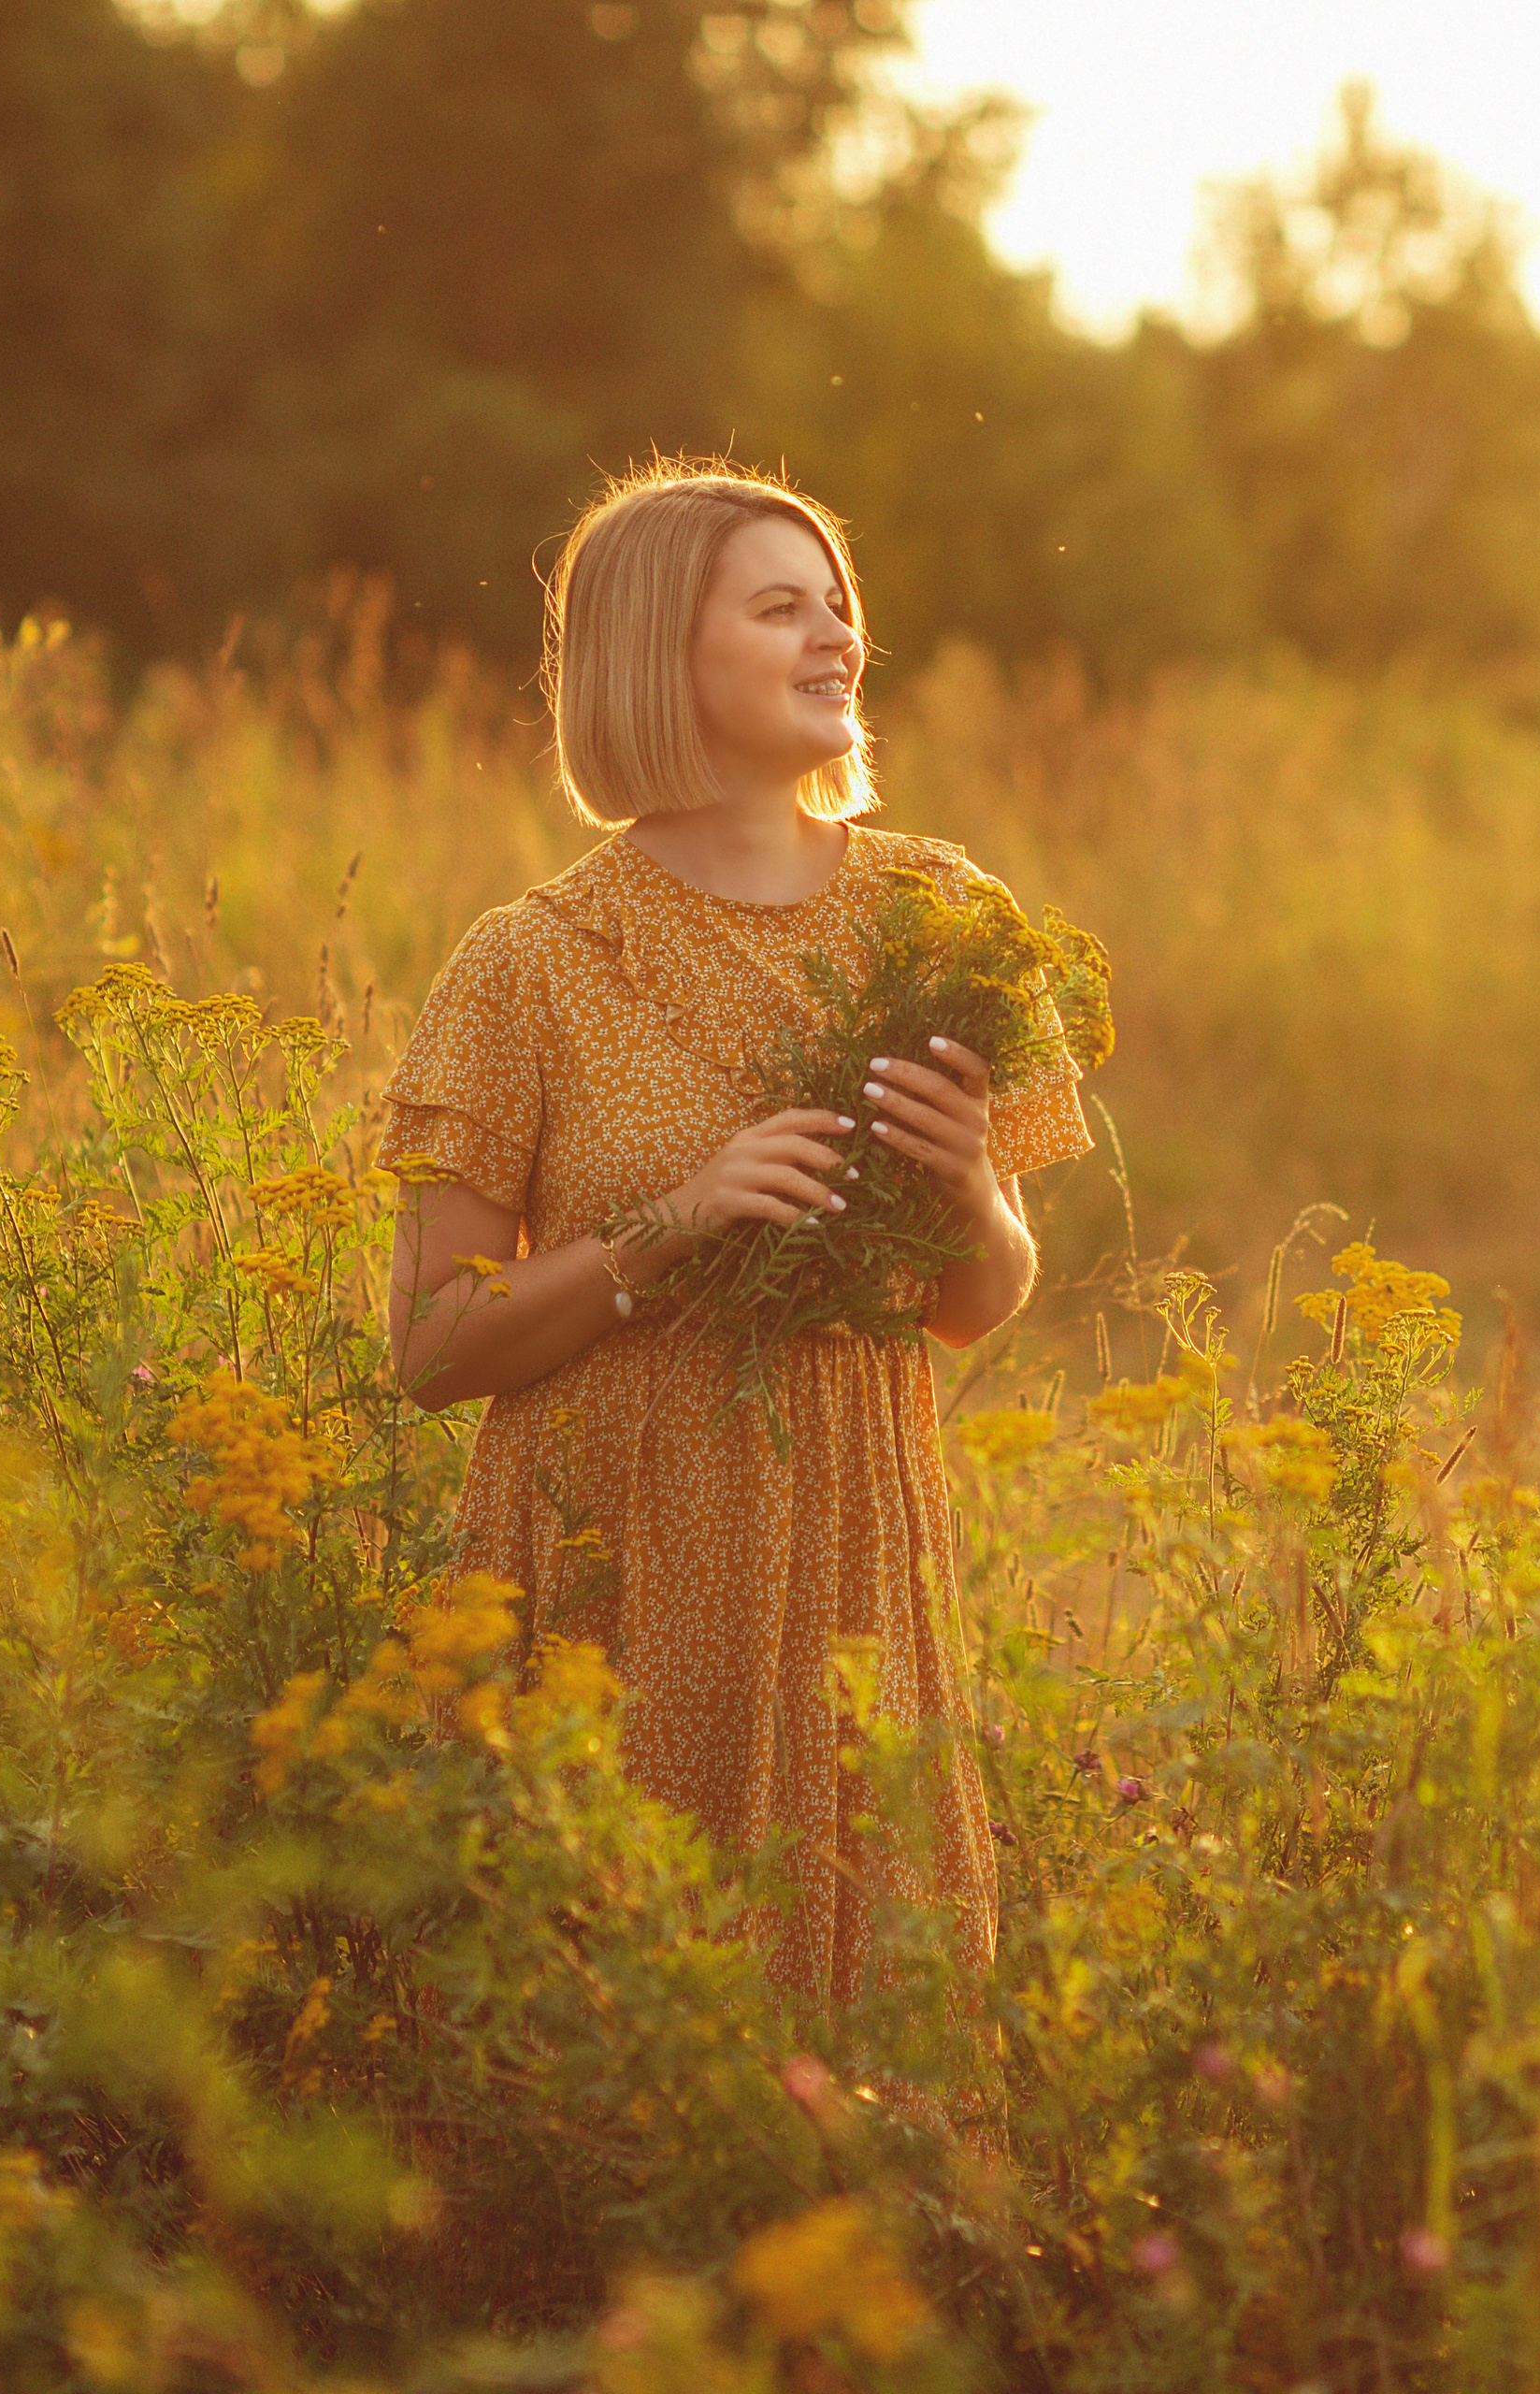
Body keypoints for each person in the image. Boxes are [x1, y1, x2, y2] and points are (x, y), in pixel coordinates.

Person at [378, 460, 1091, 2008]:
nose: (837, 635)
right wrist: (667, 1231)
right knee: (606, 2017)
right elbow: (430, 1350)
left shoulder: (945, 919)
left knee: (869, 1996)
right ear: (658, 655)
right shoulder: (530, 962)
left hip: (851, 1535)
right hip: (604, 1558)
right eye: (781, 608)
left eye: (839, 603)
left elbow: (977, 1302)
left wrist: (970, 1190)